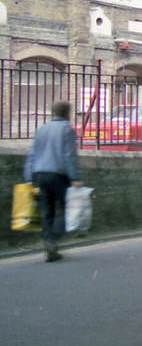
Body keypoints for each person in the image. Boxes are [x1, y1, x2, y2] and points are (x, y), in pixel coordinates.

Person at [23, 100, 84, 262]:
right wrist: (75, 177)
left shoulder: (42, 128)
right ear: (67, 113)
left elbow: (32, 154)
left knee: (47, 211)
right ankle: (51, 240)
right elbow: (69, 155)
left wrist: (28, 177)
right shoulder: (67, 130)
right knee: (68, 211)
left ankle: (50, 247)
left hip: (39, 175)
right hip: (57, 175)